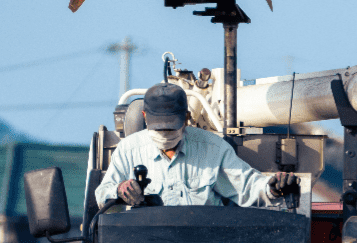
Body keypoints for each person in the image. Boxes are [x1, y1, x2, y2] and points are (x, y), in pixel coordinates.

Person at [95, 83, 298, 208]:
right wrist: (120, 190)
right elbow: (102, 194)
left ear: (186, 118)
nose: (165, 135)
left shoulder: (213, 148)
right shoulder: (128, 150)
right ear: (144, 116)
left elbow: (247, 188)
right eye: (159, 129)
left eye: (171, 128)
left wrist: (272, 188)